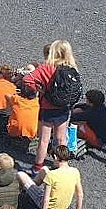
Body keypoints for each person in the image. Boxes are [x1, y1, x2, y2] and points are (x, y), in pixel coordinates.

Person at [20, 39, 78, 174]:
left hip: (48, 107)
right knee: (61, 138)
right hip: (64, 107)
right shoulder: (71, 67)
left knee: (44, 140)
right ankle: (62, 164)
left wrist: (40, 89)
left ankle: (38, 167)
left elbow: (27, 79)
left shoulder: (47, 68)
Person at [14, 145, 83, 209]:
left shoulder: (52, 175)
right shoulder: (75, 171)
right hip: (62, 207)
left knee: (20, 174)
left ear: (56, 157)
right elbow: (80, 194)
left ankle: (21, 195)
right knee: (44, 169)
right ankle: (30, 188)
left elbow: (46, 199)